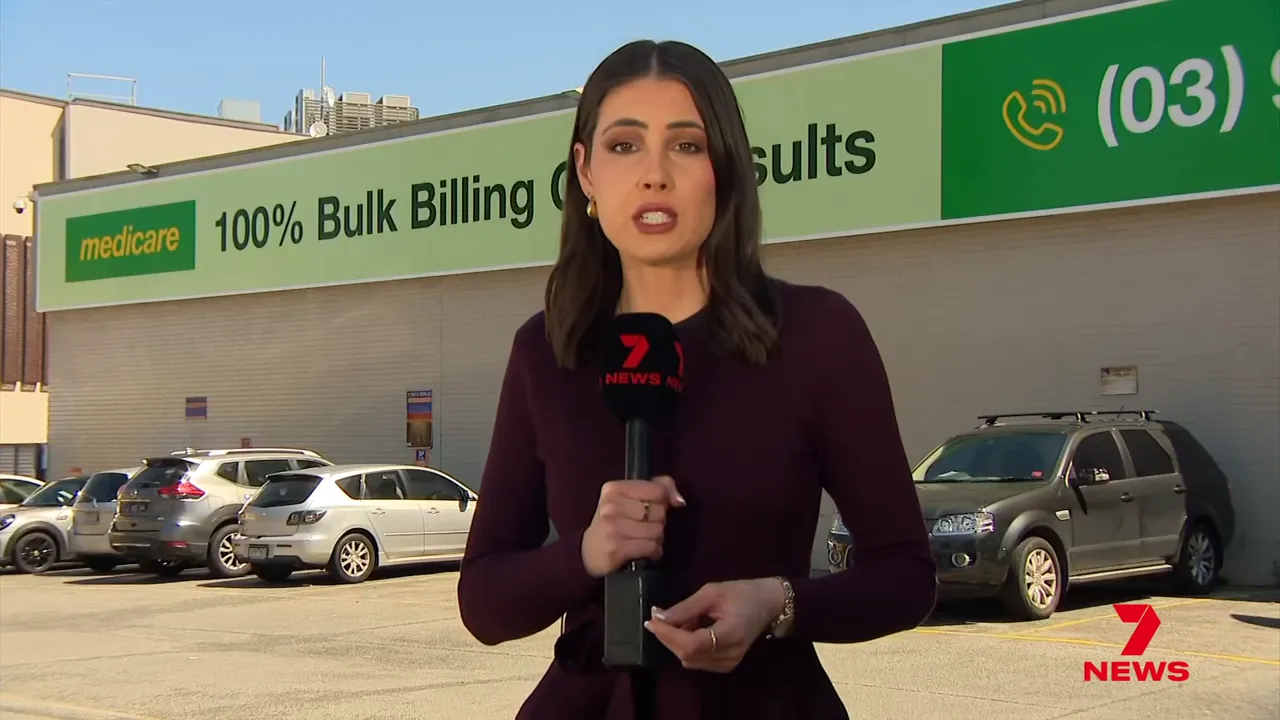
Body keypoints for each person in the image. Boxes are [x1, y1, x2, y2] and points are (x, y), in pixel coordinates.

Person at [457, 39, 937, 719]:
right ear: (585, 173)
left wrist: (778, 603)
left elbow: (906, 578)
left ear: (726, 169)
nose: (654, 175)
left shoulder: (817, 335)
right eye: (625, 146)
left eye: (685, 146)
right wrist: (586, 552)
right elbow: (483, 602)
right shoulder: (545, 351)